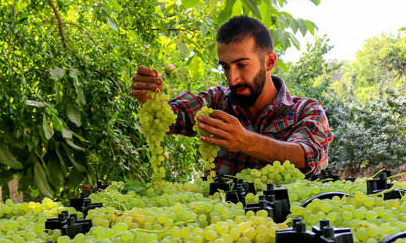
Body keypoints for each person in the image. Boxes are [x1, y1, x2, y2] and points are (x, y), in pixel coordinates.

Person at [130, 15, 333, 177]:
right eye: (226, 67)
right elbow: (172, 117)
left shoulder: (306, 110)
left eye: (242, 65)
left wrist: (246, 141)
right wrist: (151, 101)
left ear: (269, 62)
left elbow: (308, 155)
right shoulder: (214, 102)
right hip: (220, 227)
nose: (233, 78)